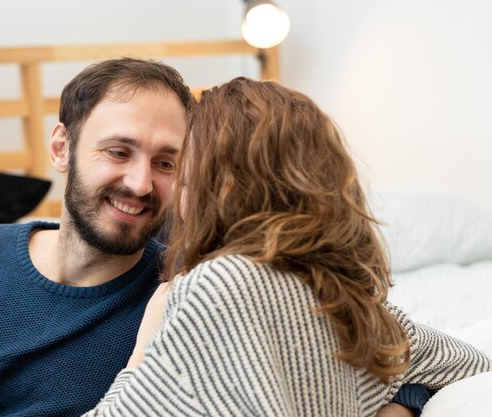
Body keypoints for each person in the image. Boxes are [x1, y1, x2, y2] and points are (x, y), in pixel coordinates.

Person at [0, 59, 427, 417]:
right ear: (61, 148)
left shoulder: (189, 292)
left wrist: (397, 405)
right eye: (119, 151)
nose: (139, 183)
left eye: (166, 162)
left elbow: (409, 355)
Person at [82, 77, 492, 417]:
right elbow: (471, 362)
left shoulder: (212, 286)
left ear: (215, 184)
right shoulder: (348, 299)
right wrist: (401, 404)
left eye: (180, 171)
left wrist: (141, 352)